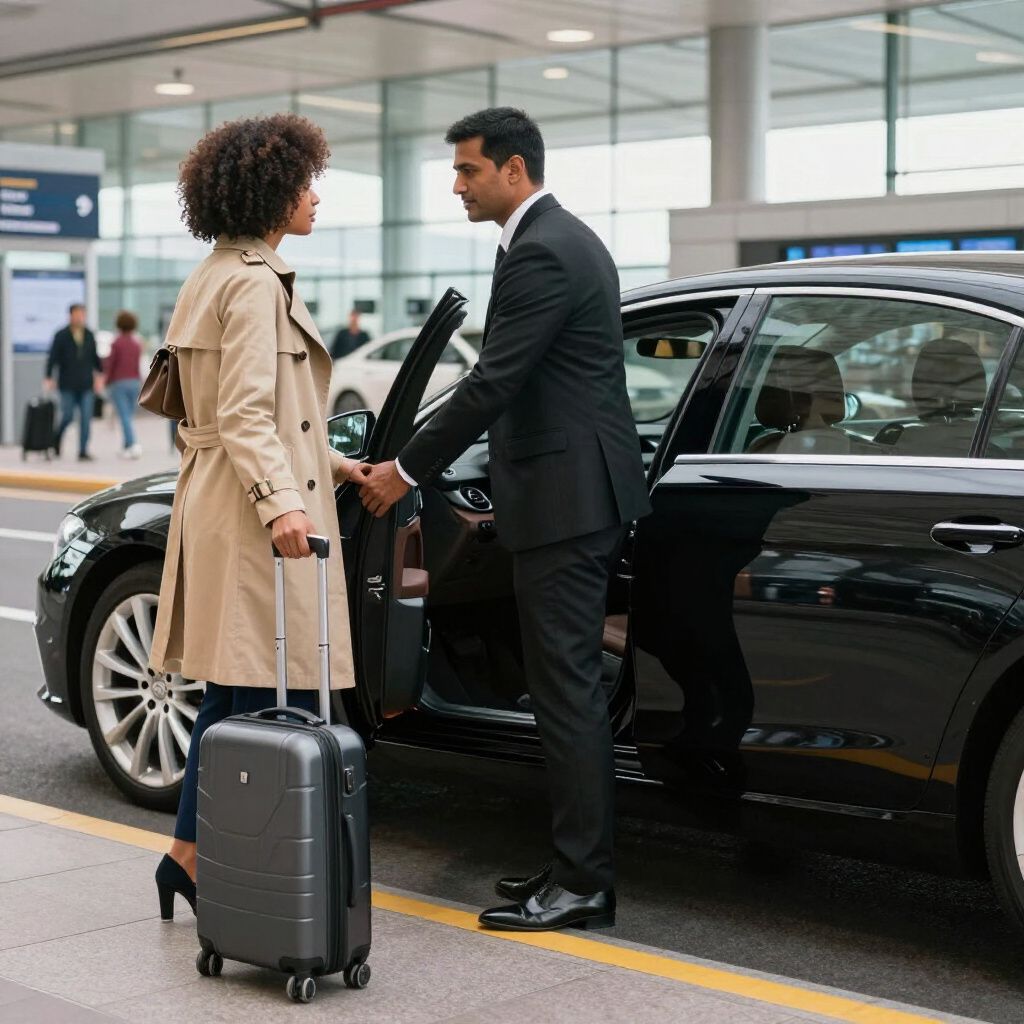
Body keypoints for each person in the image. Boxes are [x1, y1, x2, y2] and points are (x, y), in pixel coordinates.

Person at [357, 108, 651, 933]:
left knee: (565, 697)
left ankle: (585, 884)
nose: (457, 184)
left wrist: (403, 468)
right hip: (572, 496)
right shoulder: (556, 240)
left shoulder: (545, 252)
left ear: (513, 170)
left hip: (566, 504)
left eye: (468, 170)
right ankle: (571, 866)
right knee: (563, 691)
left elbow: (493, 383)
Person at [146, 113, 368, 919]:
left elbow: (272, 415)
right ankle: (205, 859)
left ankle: (190, 856)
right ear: (275, 192)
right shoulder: (250, 281)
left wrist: (338, 466)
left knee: (232, 695)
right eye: (307, 183)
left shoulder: (216, 271)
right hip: (249, 515)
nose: (316, 199)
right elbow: (245, 414)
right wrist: (283, 506)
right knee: (255, 697)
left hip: (222, 497)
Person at [43, 303, 103, 461]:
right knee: (67, 416)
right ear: (70, 316)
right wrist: (48, 377)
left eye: (82, 314)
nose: (80, 317)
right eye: (77, 314)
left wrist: (100, 377)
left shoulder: (89, 334)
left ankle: (83, 450)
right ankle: (56, 439)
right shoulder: (61, 335)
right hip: (67, 384)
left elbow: (95, 359)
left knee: (85, 418)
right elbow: (53, 358)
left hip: (86, 384)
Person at [104, 310, 144, 458]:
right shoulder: (136, 343)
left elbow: (111, 365)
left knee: (124, 416)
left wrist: (106, 381)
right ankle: (126, 446)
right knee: (128, 416)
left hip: (119, 383)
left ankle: (133, 445)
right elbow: (137, 365)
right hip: (134, 383)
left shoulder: (116, 342)